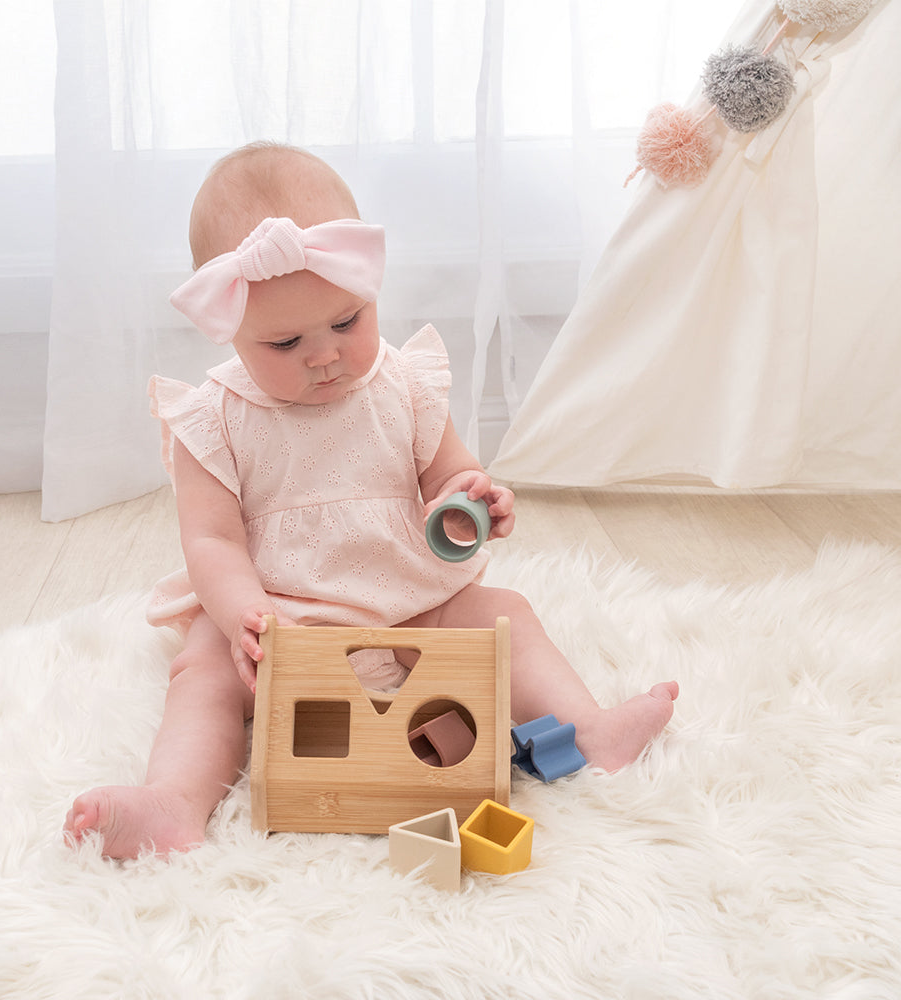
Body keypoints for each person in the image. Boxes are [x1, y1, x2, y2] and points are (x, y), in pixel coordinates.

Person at [63, 142, 678, 860]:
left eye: (347, 322)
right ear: (230, 324)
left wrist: (469, 499)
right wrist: (242, 618)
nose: (324, 354)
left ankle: (587, 728)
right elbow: (212, 544)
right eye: (286, 341)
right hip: (286, 622)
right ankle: (174, 801)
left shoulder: (405, 384)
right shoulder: (214, 417)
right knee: (201, 671)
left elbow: (448, 473)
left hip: (411, 603)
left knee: (504, 615)